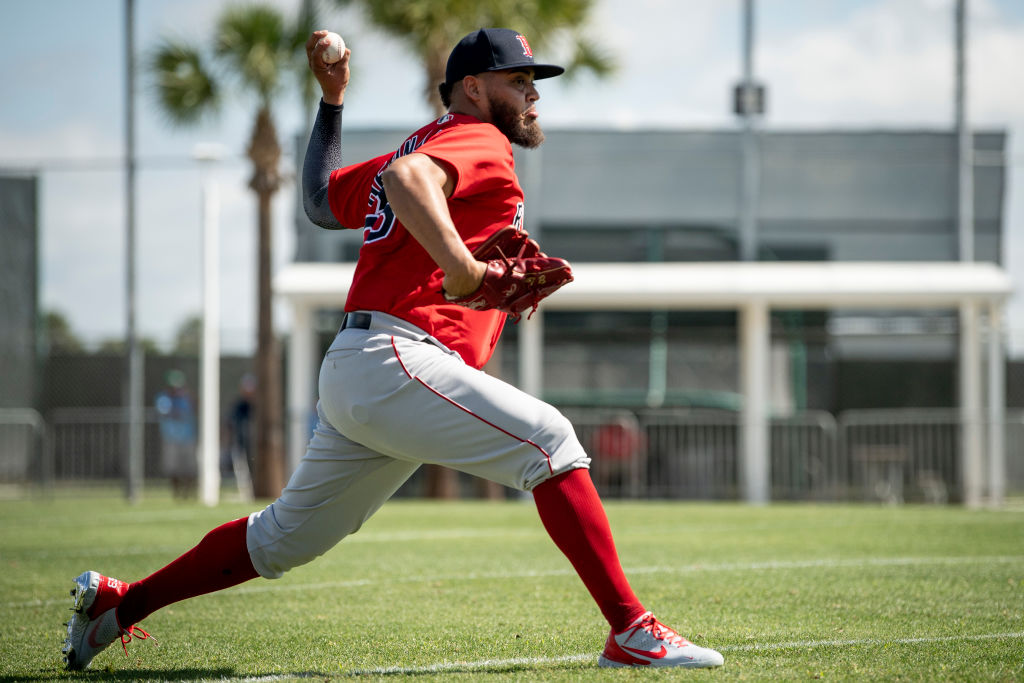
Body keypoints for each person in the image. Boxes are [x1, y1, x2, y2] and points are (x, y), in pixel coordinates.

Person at [60, 28, 724, 671]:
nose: (532, 94)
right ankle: (632, 629)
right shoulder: (477, 138)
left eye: (533, 83)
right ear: (471, 87)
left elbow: (321, 201)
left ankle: (119, 606)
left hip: (367, 369)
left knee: (281, 538)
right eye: (518, 80)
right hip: (397, 358)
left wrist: (332, 101)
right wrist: (463, 267)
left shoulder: (429, 142)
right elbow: (410, 180)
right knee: (550, 442)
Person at [153, 369, 197, 499]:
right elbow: (167, 412)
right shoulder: (163, 398)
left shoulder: (187, 398)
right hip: (171, 438)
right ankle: (176, 493)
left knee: (190, 468)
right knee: (173, 469)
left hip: (188, 437)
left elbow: (194, 408)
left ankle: (188, 494)